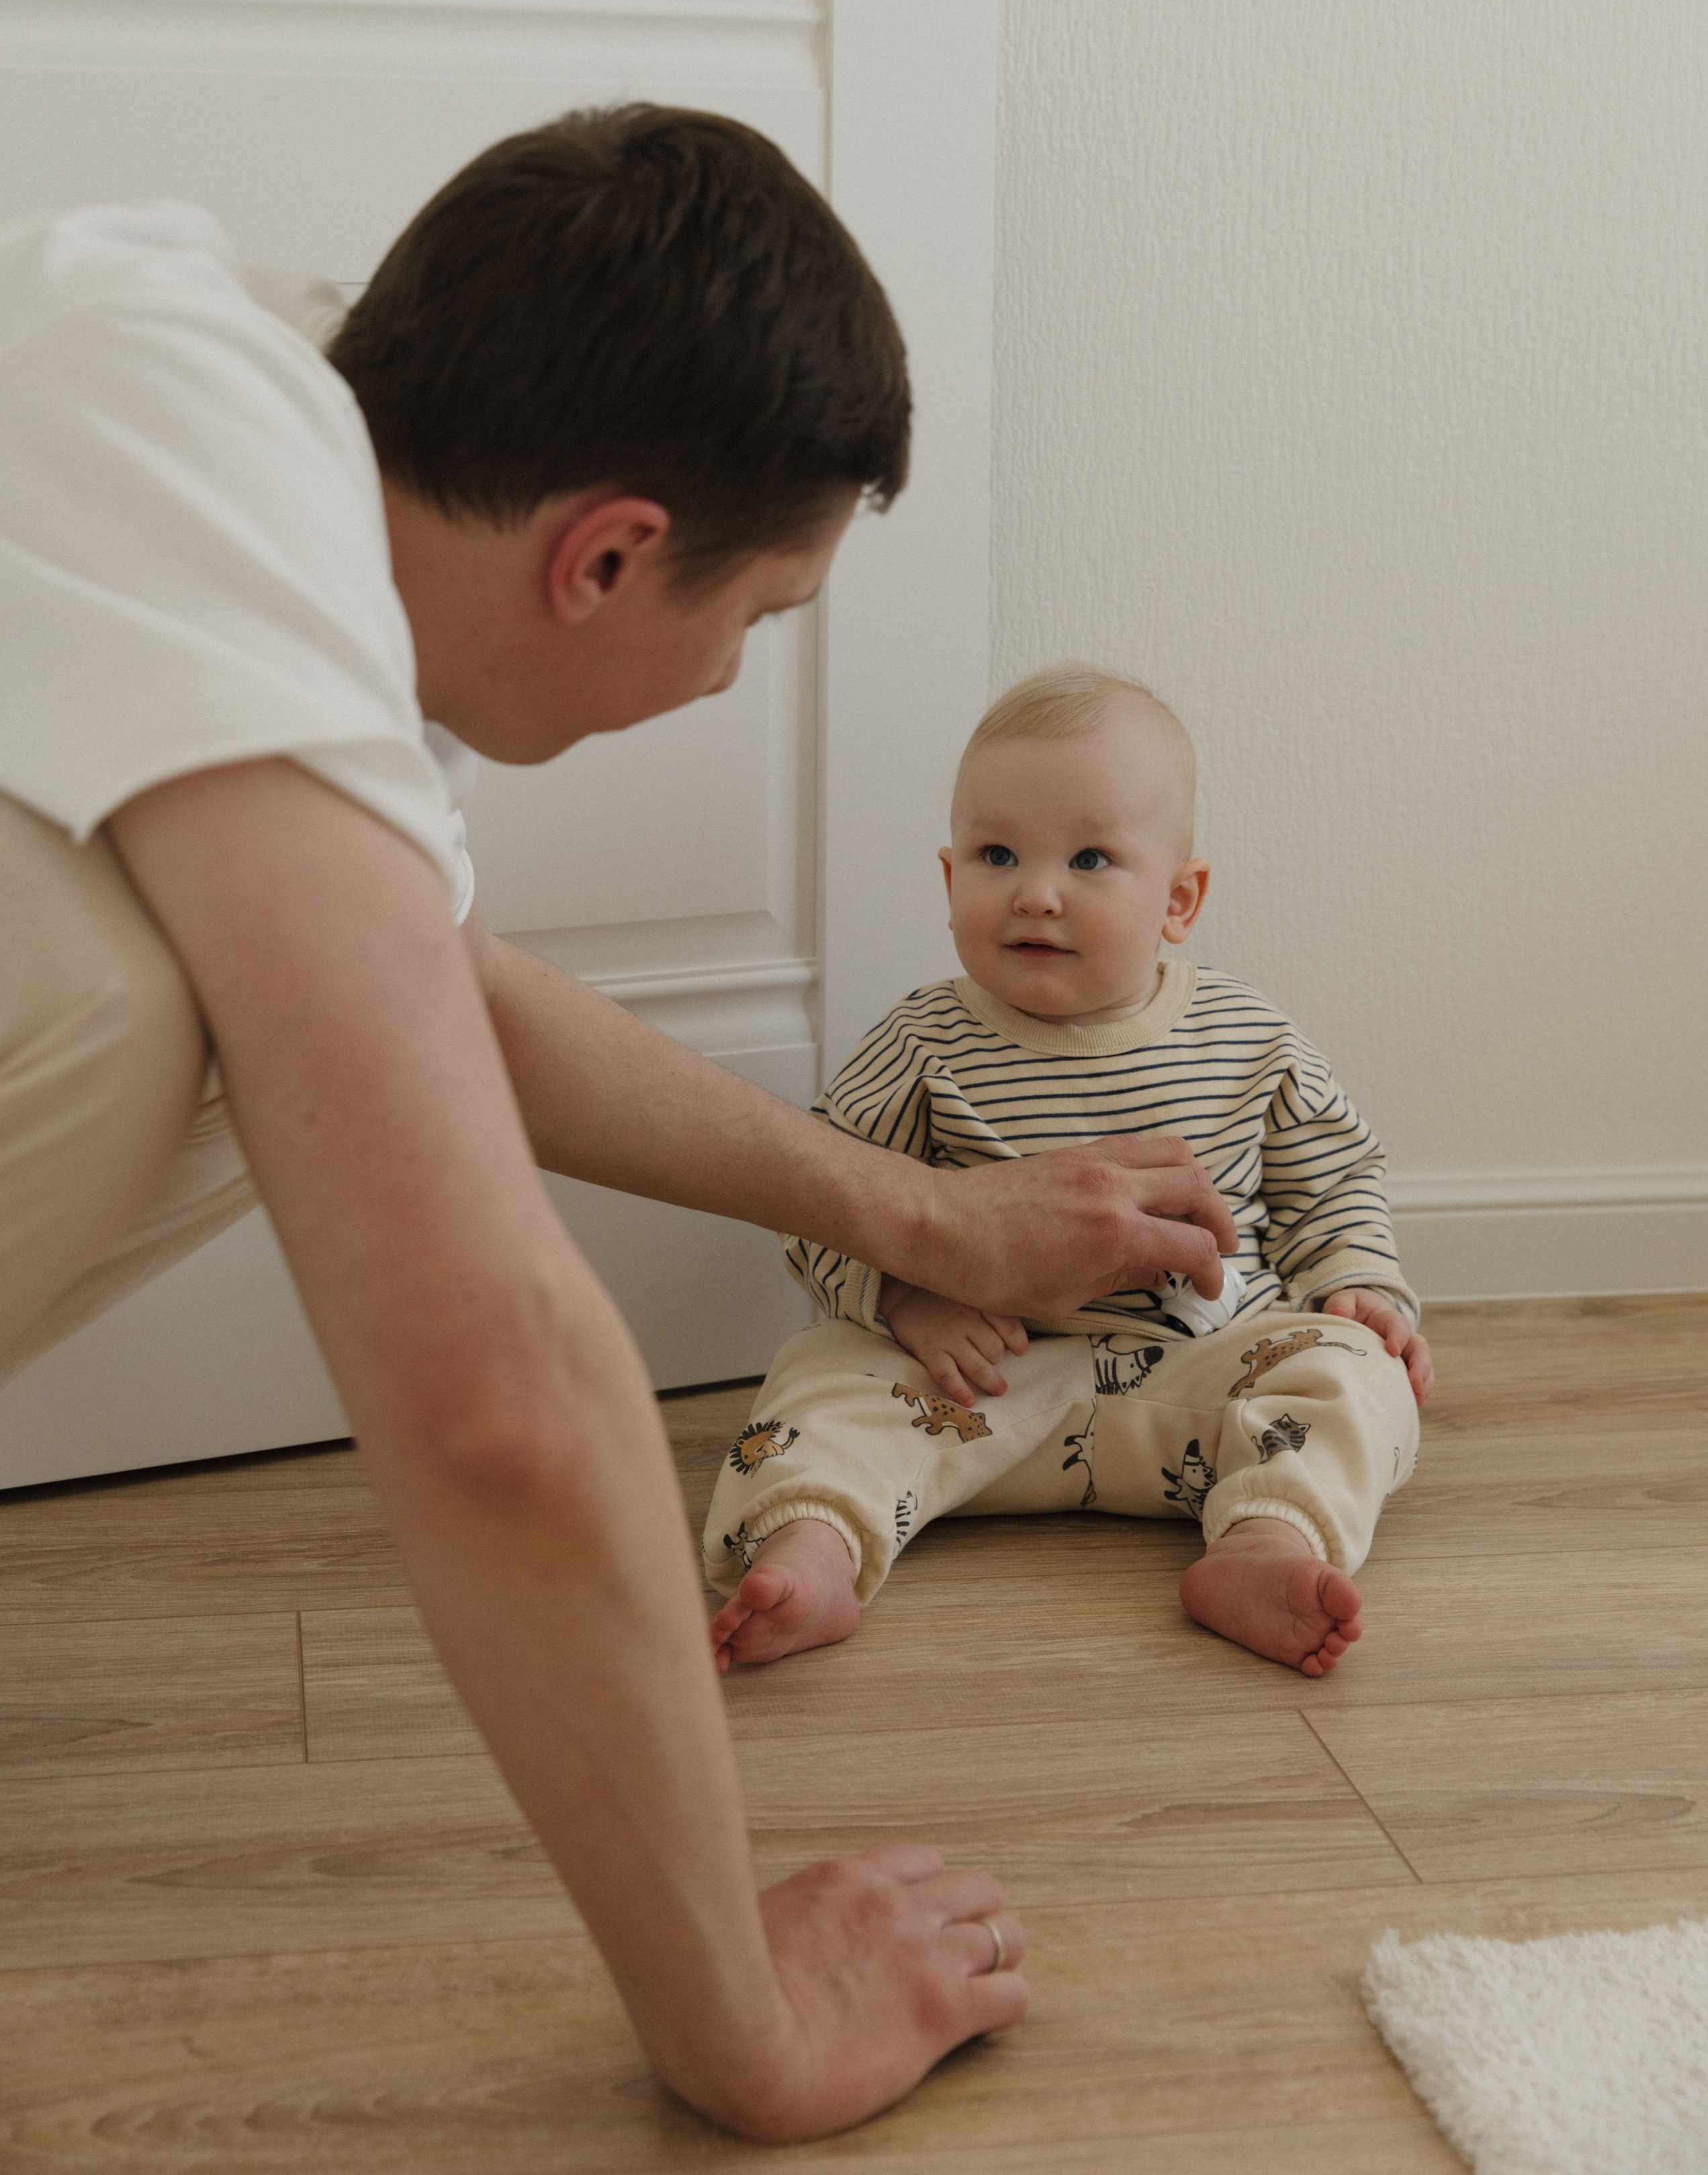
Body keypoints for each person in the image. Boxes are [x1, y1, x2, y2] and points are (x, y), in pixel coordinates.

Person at [0, 113, 1241, 2144]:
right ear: (602, 554)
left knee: (292, 971)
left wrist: (936, 1217)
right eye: (754, 617)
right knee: (186, 989)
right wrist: (741, 2012)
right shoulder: (189, 458)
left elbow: (439, 992)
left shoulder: (260, 417)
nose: (737, 674)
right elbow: (488, 1381)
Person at [707, 661, 1432, 1685]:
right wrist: (905, 1298)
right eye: (998, 854)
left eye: (1091, 859)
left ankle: (1268, 1541)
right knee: (821, 1376)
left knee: (1361, 1373)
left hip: (1208, 1373)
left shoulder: (1247, 1037)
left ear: (1180, 901)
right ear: (953, 881)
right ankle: (816, 1548)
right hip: (970, 1386)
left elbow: (1334, 1176)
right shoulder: (921, 1042)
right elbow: (818, 1205)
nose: (1036, 892)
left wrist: (1360, 1281)